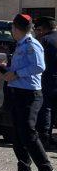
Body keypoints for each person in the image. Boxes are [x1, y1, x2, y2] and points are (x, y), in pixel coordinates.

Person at [0, 13, 53, 171]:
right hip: (17, 91)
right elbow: (21, 67)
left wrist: (16, 74)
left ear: (16, 28)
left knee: (28, 132)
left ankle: (46, 168)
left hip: (29, 94)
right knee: (17, 132)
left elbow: (39, 66)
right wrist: (6, 70)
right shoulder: (21, 44)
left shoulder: (31, 44)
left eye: (12, 28)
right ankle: (24, 167)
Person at [34, 16, 56, 150]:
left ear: (42, 29)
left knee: (46, 108)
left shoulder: (43, 41)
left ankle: (45, 137)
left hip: (47, 79)